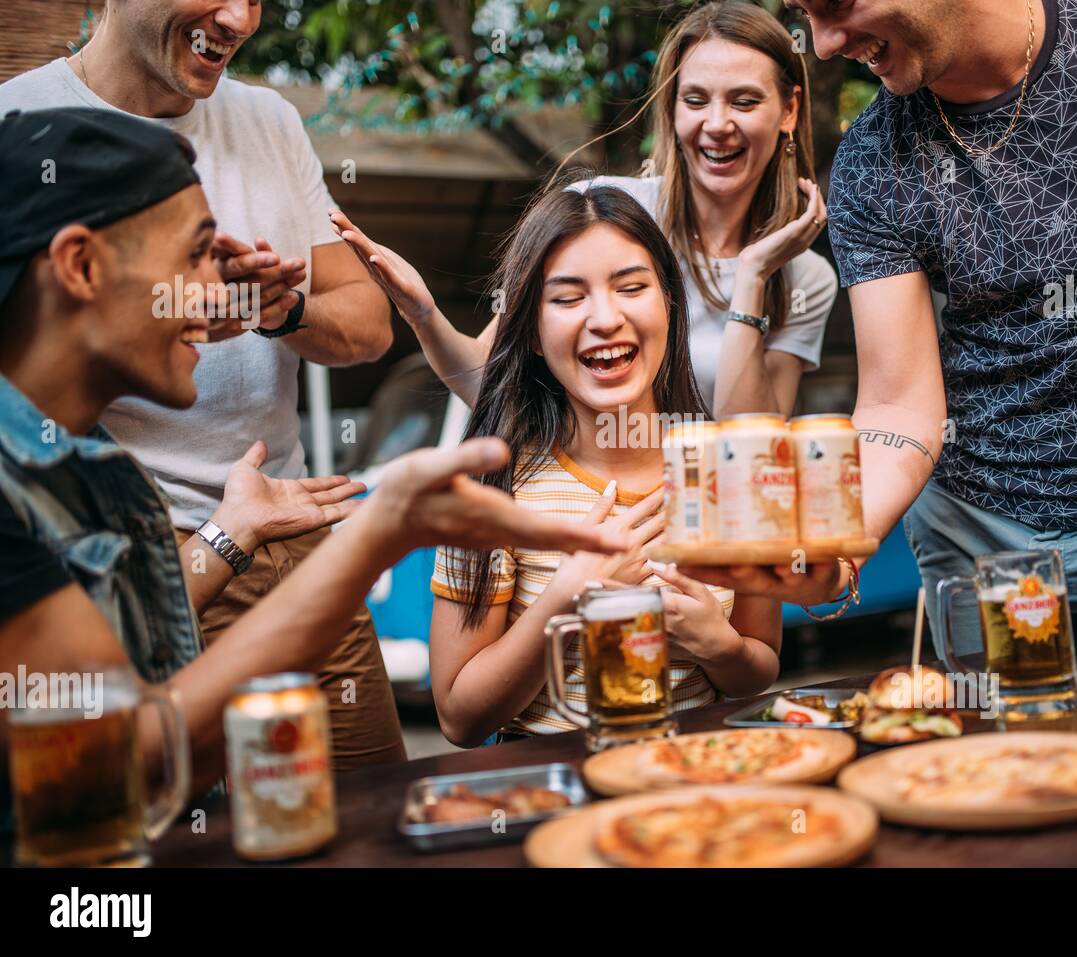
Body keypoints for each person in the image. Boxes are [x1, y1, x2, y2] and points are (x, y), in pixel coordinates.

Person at [0, 109, 625, 817]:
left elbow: (114, 639)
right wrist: (373, 536)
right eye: (198, 255)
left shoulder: (80, 463)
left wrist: (231, 532)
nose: (225, 293)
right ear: (81, 266)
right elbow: (131, 758)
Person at [714, 0, 1077, 665]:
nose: (820, 46)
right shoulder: (873, 158)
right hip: (978, 543)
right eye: (804, 14)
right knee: (1000, 768)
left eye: (836, 7)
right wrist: (841, 544)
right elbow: (897, 405)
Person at [0, 0, 407, 766]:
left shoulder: (268, 121)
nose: (240, 15)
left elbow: (369, 325)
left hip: (269, 526)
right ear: (79, 263)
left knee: (356, 813)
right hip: (134, 545)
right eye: (190, 256)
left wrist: (274, 308)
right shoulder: (17, 126)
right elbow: (115, 752)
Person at [330, 0, 835, 419]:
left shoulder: (804, 278)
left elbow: (748, 449)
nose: (717, 123)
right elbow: (491, 384)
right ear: (673, 108)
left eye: (744, 101)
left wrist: (753, 275)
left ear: (789, 110)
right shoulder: (608, 212)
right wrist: (424, 315)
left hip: (696, 525)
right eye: (696, 100)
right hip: (578, 507)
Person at [427, 186, 784, 747]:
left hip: (700, 796)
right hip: (555, 811)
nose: (605, 318)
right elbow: (459, 719)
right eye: (567, 299)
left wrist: (722, 648)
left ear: (668, 303)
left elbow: (757, 674)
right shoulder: (490, 494)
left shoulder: (730, 472)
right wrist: (571, 592)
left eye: (632, 287)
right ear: (535, 336)